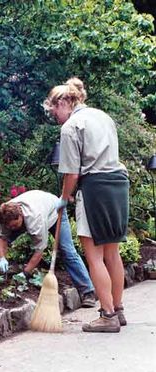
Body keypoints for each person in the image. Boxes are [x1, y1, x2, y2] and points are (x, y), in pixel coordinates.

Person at [43, 77, 129, 333]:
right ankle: (118, 309)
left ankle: (107, 315)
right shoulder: (103, 117)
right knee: (112, 252)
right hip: (118, 183)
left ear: (63, 102)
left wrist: (64, 198)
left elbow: (71, 174)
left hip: (95, 189)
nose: (54, 117)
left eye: (53, 111)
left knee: (94, 256)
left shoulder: (71, 127)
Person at [0, 189, 95, 307]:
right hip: (36, 204)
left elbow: (39, 250)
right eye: (9, 226)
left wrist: (25, 273)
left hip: (55, 212)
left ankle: (87, 292)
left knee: (67, 251)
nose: (12, 228)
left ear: (20, 215)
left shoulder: (35, 220)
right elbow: (2, 237)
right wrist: (2, 258)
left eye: (15, 225)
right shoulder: (5, 215)